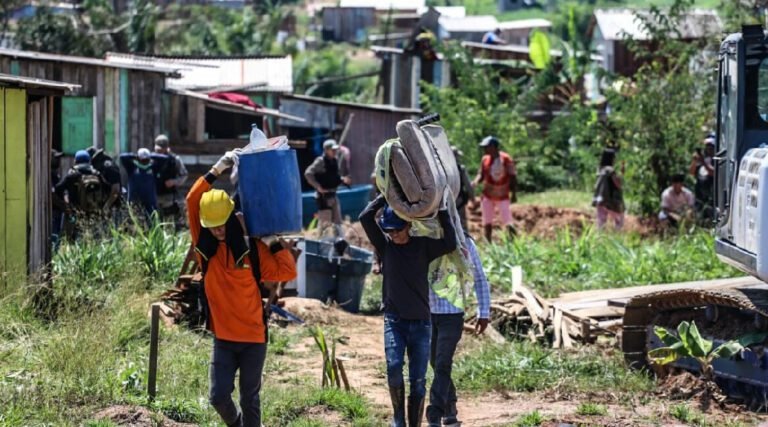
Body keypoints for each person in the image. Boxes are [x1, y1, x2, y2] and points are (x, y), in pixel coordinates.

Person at [187, 150, 297, 427]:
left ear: (231, 218)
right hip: (223, 339)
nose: (217, 231)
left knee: (250, 400)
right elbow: (192, 200)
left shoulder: (253, 250)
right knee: (218, 397)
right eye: (211, 227)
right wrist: (217, 169)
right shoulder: (205, 252)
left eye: (221, 225)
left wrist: (273, 242)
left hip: (253, 339)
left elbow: (288, 271)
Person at [359, 195, 457, 427]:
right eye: (389, 230)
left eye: (397, 230)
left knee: (418, 380)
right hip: (394, 321)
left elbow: (450, 243)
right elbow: (365, 217)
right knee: (394, 367)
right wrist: (386, 196)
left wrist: (443, 211)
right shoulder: (386, 247)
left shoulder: (423, 246)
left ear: (409, 225)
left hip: (421, 323)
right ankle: (398, 419)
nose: (394, 234)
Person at [427, 233, 490, 427]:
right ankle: (450, 405)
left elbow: (479, 277)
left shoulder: (464, 242)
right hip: (426, 313)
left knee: (443, 362)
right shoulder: (422, 237)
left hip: (452, 314)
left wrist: (484, 312)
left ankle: (435, 413)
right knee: (435, 362)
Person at [54, 150, 112, 239]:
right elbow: (108, 189)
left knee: (70, 239)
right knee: (93, 239)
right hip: (94, 213)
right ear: (89, 160)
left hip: (75, 213)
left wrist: (66, 203)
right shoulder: (96, 174)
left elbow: (58, 189)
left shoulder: (72, 175)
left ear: (75, 161)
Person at [472, 136, 517, 241]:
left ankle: (513, 242)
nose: (485, 149)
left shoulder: (506, 159)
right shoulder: (485, 159)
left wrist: (514, 193)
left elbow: (513, 176)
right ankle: (488, 243)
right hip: (488, 195)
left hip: (503, 195)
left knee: (507, 220)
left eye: (487, 147)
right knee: (487, 221)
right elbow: (481, 174)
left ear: (494, 147)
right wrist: (475, 182)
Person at [304, 139, 351, 237]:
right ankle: (322, 242)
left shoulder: (334, 161)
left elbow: (334, 177)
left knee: (338, 223)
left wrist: (342, 180)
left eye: (335, 149)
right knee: (325, 224)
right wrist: (318, 187)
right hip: (324, 197)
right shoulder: (320, 161)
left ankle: (340, 242)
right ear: (326, 150)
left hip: (333, 195)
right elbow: (308, 173)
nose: (334, 151)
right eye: (332, 150)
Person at [119, 148, 166, 220]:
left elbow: (164, 159)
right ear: (138, 159)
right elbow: (122, 156)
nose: (145, 162)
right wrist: (135, 156)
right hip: (134, 199)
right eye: (142, 160)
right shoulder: (132, 167)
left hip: (150, 200)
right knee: (132, 220)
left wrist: (150, 155)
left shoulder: (153, 168)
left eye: (146, 160)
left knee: (151, 220)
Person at [154, 134, 189, 224]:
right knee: (154, 222)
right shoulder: (151, 158)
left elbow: (184, 175)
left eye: (161, 149)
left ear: (166, 148)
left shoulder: (174, 159)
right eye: (158, 149)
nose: (159, 151)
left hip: (168, 197)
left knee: (169, 222)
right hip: (153, 195)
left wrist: (174, 182)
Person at [592, 148, 625, 230]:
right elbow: (618, 184)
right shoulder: (610, 170)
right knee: (619, 220)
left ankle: (600, 236)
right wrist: (621, 174)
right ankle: (617, 235)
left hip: (599, 199)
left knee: (601, 222)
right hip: (610, 199)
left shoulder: (599, 170)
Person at [689, 135, 715, 220]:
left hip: (711, 197)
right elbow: (691, 172)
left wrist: (703, 161)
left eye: (711, 147)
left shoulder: (716, 160)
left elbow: (713, 173)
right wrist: (694, 161)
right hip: (699, 197)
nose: (708, 149)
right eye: (707, 147)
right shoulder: (702, 160)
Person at [452, 146, 474, 232]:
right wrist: (472, 198)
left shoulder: (442, 169)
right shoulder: (461, 169)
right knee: (462, 223)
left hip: (445, 202)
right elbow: (468, 185)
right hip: (459, 200)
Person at [51, 149, 66, 247]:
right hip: (53, 212)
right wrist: (63, 205)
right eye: (55, 158)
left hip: (58, 211)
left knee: (57, 236)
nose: (58, 160)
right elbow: (52, 195)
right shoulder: (50, 174)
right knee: (54, 235)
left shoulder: (56, 174)